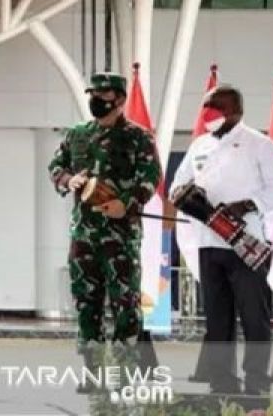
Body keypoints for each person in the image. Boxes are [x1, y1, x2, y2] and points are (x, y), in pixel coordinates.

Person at [169, 84, 273, 395]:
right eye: (206, 107)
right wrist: (184, 197)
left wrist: (248, 204)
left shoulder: (261, 145)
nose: (208, 114)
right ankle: (222, 382)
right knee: (217, 318)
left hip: (245, 242)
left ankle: (256, 384)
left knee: (255, 317)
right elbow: (178, 184)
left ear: (236, 111)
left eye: (216, 108)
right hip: (208, 243)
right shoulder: (199, 145)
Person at [48, 73, 160, 383]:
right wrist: (67, 180)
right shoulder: (78, 135)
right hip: (83, 234)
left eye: (103, 94)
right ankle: (92, 372)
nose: (96, 99)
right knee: (86, 305)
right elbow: (56, 166)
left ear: (120, 99)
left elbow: (150, 177)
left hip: (120, 236)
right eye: (93, 94)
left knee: (125, 305)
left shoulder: (139, 138)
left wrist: (127, 202)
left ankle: (123, 372)